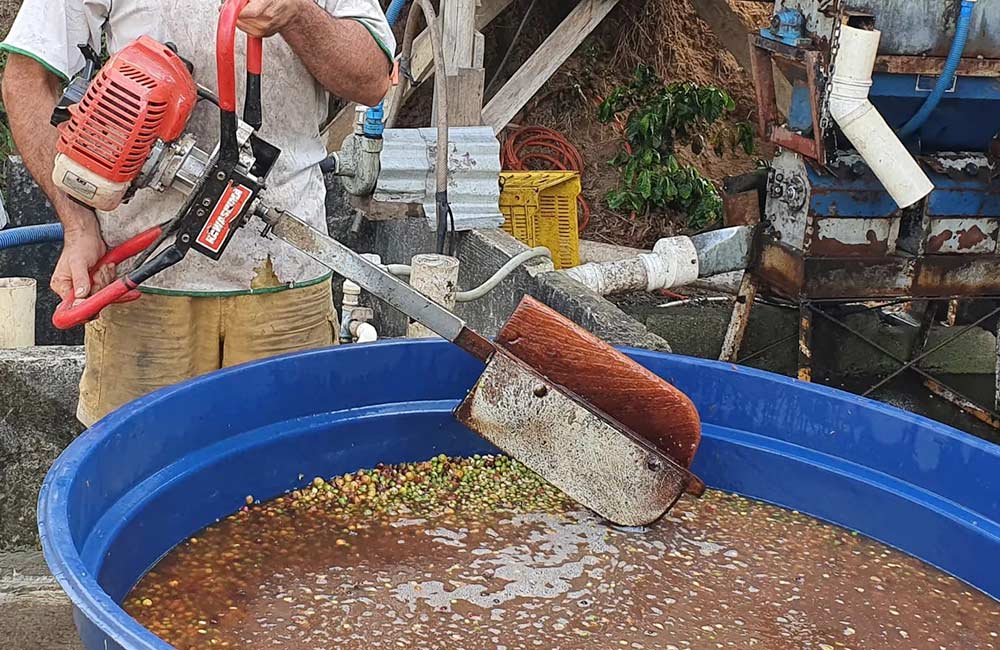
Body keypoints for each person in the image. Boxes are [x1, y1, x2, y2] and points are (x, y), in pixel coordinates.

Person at [1, 0, 395, 426]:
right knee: (138, 464)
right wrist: (78, 226)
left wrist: (298, 14)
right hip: (146, 280)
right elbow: (27, 78)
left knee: (286, 471)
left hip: (286, 270)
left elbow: (372, 80)